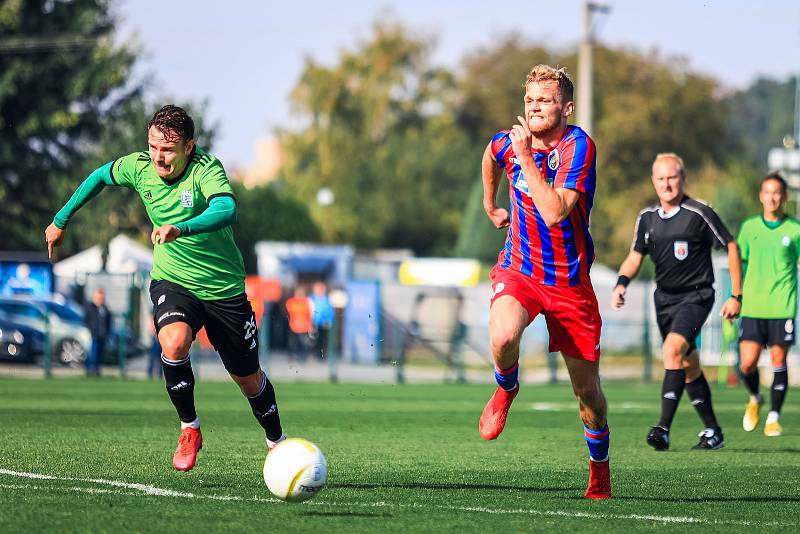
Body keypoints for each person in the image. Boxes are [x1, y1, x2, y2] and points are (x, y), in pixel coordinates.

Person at [45, 105, 285, 471]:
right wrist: (60, 220)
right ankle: (190, 428)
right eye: (154, 146)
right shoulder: (139, 165)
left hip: (222, 288)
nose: (159, 156)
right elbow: (99, 176)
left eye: (168, 149)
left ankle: (276, 441)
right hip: (173, 280)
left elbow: (226, 209)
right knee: (172, 342)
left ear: (189, 147)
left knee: (247, 379)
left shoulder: (207, 170)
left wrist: (181, 228)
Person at [480, 65, 610, 499]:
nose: (534, 107)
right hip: (521, 270)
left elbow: (554, 212)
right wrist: (490, 205)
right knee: (502, 336)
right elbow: (490, 154)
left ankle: (599, 472)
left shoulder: (579, 147)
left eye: (545, 100)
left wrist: (527, 158)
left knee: (588, 395)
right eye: (530, 100)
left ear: (566, 108)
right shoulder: (510, 142)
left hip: (570, 284)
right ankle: (506, 388)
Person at [611, 153, 742, 451]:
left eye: (672, 177)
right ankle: (713, 431)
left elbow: (730, 245)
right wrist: (621, 283)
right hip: (664, 300)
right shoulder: (647, 218)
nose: (667, 184)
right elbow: (635, 255)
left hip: (696, 296)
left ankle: (663, 429)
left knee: (672, 351)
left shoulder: (699, 212)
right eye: (661, 178)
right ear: (653, 181)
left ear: (682, 178)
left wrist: (736, 295)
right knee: (688, 364)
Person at [737, 173, 800, 437]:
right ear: (761, 196)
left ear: (784, 197)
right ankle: (755, 398)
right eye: (767, 192)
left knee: (778, 360)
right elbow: (739, 263)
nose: (772, 197)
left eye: (777, 192)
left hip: (782, 307)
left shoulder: (795, 230)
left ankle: (773, 417)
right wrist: (736, 297)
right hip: (752, 307)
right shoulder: (749, 228)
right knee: (747, 364)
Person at [83, 288, 112, 376]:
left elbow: (108, 321)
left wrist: (107, 332)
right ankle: (89, 370)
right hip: (93, 335)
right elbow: (86, 320)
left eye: (101, 298)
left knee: (99, 353)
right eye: (98, 298)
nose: (100, 300)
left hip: (102, 335)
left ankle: (96, 370)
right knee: (92, 353)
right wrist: (90, 330)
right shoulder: (90, 308)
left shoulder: (105, 309)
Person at [285, 287, 312, 362]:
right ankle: (291, 356)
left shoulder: (307, 301)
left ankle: (303, 358)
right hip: (293, 325)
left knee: (304, 343)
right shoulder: (291, 301)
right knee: (292, 343)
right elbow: (291, 310)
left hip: (304, 326)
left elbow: (310, 313)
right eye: (298, 293)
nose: (299, 295)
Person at [309, 281, 334, 359]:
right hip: (313, 323)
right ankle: (313, 354)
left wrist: (329, 320)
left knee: (323, 340)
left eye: (321, 289)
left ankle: (321, 356)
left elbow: (330, 312)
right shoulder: (311, 298)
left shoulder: (327, 300)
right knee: (313, 340)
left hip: (323, 323)